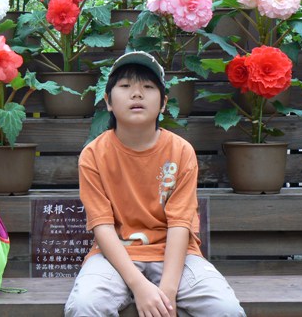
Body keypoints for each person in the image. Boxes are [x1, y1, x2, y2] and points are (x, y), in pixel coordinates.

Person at [65, 51, 245, 317]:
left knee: (226, 310)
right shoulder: (93, 155)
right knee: (84, 307)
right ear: (108, 102)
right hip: (115, 256)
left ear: (163, 103)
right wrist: (140, 287)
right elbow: (102, 227)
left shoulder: (181, 151)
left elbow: (180, 224)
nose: (136, 94)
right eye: (125, 86)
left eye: (148, 87)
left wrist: (168, 292)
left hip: (178, 257)